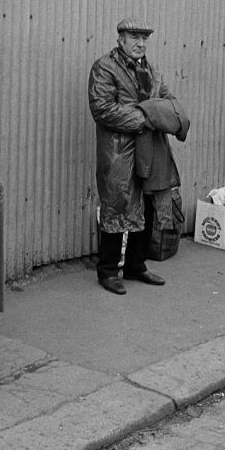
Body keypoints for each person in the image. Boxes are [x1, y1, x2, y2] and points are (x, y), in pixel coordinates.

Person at [88, 18, 188, 295]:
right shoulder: (104, 67)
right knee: (118, 205)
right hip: (119, 151)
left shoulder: (153, 70)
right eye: (134, 37)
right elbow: (103, 108)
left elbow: (169, 102)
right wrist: (146, 117)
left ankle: (136, 265)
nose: (140, 43)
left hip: (151, 151)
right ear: (120, 39)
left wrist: (159, 114)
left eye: (144, 38)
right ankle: (108, 271)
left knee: (147, 205)